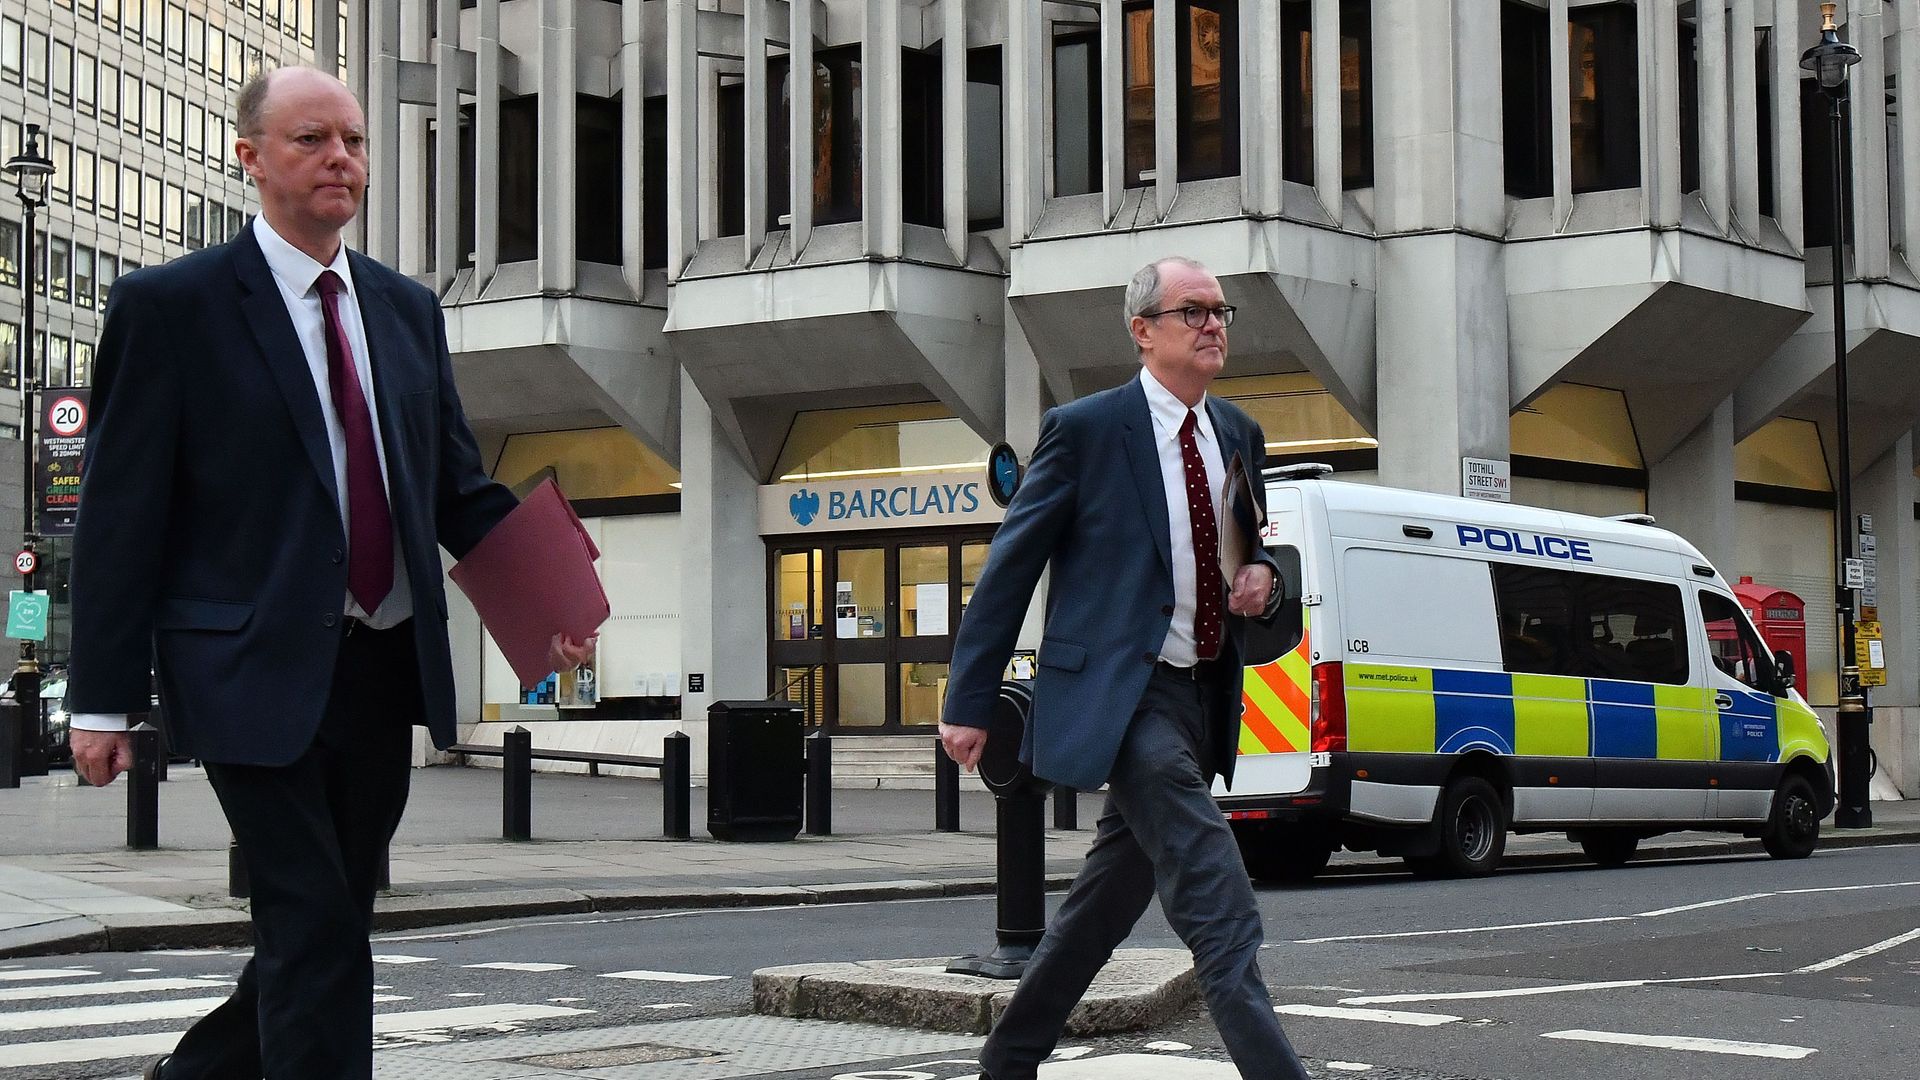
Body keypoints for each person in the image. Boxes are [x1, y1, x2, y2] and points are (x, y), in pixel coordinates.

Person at [63, 66, 592, 1080]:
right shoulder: (171, 309)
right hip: (246, 669)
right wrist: (100, 701)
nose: (340, 158)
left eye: (352, 140)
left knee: (326, 924)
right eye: (312, 140)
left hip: (380, 664)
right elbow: (122, 517)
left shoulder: (403, 309)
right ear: (250, 157)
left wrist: (552, 603)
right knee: (311, 918)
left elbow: (456, 489)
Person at [938, 257, 1309, 1079]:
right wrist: (969, 699)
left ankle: (1008, 1060)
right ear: (1142, 331)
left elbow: (1256, 557)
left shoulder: (1238, 433)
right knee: (1218, 899)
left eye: (1220, 311)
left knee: (1104, 903)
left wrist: (1266, 579)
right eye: (1193, 312)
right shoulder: (1087, 429)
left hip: (1198, 693)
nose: (1214, 325)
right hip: (1121, 697)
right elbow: (1012, 564)